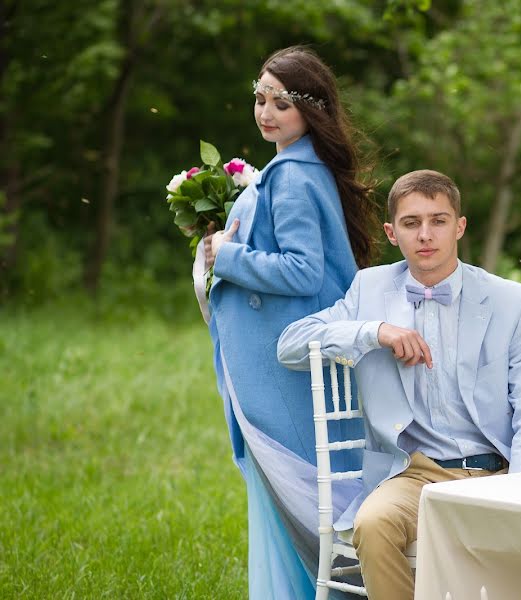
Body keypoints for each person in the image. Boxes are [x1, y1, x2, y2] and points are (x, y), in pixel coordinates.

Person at [277, 169, 521, 600]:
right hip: (413, 474)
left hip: (496, 472)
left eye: (438, 221)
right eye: (411, 223)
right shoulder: (368, 289)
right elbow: (290, 345)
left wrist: (519, 491)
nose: (425, 235)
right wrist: (374, 332)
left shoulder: (513, 301)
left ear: (460, 226)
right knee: (373, 525)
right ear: (392, 233)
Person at [198, 45, 378, 599]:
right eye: (259, 99)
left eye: (281, 101)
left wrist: (221, 255)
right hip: (283, 372)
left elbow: (303, 272)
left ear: (311, 109)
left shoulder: (295, 176)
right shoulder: (294, 169)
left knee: (297, 505)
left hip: (287, 376)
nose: (265, 112)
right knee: (291, 506)